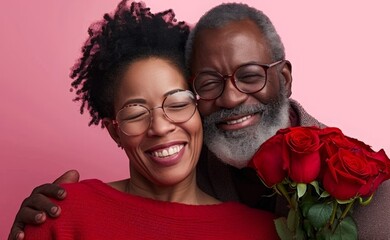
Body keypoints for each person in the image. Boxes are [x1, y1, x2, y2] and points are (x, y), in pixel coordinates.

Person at [10, 3, 390, 240]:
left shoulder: (362, 186)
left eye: (250, 75)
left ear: (283, 78)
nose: (232, 97)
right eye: (210, 83)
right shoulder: (181, 157)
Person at [20, 1, 278, 239]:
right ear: (114, 131)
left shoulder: (263, 230)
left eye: (178, 104)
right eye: (136, 114)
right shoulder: (63, 214)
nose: (160, 127)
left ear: (199, 111)